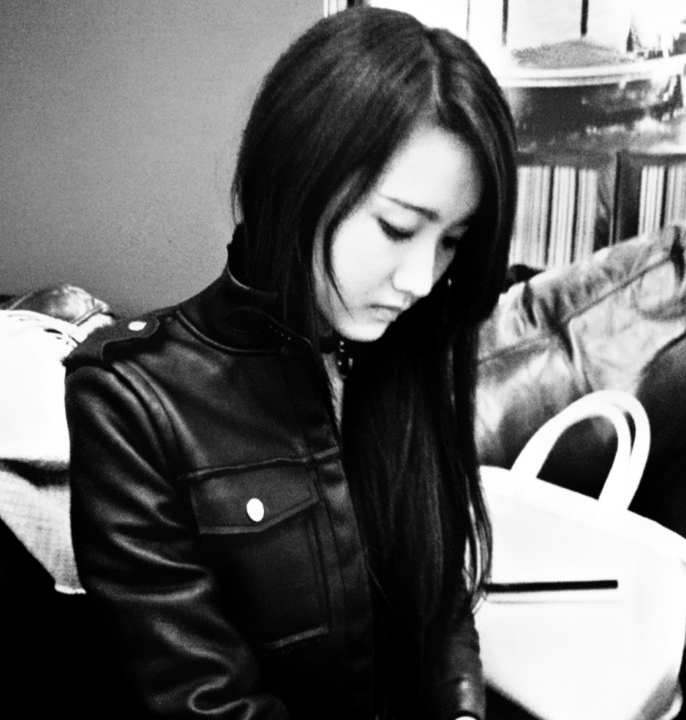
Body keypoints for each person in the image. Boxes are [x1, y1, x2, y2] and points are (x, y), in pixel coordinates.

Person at [64, 6, 517, 720]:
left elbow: (439, 594)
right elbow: (203, 701)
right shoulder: (132, 399)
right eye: (396, 227)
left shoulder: (406, 354)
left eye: (452, 241)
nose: (421, 280)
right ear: (296, 178)